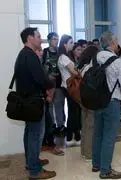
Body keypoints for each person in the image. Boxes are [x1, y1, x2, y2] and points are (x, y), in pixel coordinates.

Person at [15, 27, 56, 179]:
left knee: (30, 134)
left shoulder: (24, 54)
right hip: (33, 102)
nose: (41, 39)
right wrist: (51, 84)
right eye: (38, 36)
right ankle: (34, 170)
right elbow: (40, 79)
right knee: (35, 135)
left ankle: (31, 162)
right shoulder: (30, 55)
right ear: (30, 38)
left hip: (29, 101)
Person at [92, 31, 121, 179]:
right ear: (113, 43)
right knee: (109, 136)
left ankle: (96, 164)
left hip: (96, 102)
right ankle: (105, 170)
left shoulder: (94, 58)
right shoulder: (118, 61)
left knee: (98, 134)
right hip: (112, 102)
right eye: (117, 41)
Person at [42, 32, 65, 155]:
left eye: (57, 39)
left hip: (59, 84)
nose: (56, 41)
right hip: (48, 85)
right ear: (49, 40)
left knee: (59, 105)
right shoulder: (45, 52)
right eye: (54, 39)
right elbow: (42, 67)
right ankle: (51, 128)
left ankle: (61, 127)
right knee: (50, 107)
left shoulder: (60, 53)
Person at [57, 35, 82, 146]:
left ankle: (75, 137)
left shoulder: (66, 56)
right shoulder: (63, 57)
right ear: (64, 44)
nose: (73, 44)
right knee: (73, 113)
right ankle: (70, 138)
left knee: (75, 112)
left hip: (69, 87)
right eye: (71, 42)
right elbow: (74, 72)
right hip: (69, 87)